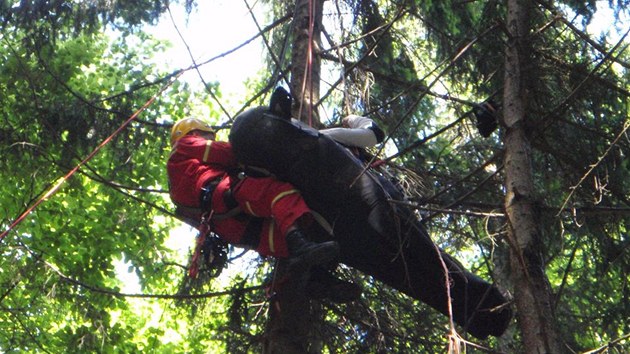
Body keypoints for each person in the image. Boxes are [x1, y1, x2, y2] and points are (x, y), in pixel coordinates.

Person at [167, 117, 339, 272]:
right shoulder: (186, 144)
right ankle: (304, 251)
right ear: (196, 132)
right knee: (278, 193)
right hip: (224, 194)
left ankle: (315, 275)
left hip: (226, 226)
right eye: (210, 136)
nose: (213, 139)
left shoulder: (175, 183)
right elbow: (225, 153)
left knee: (275, 238)